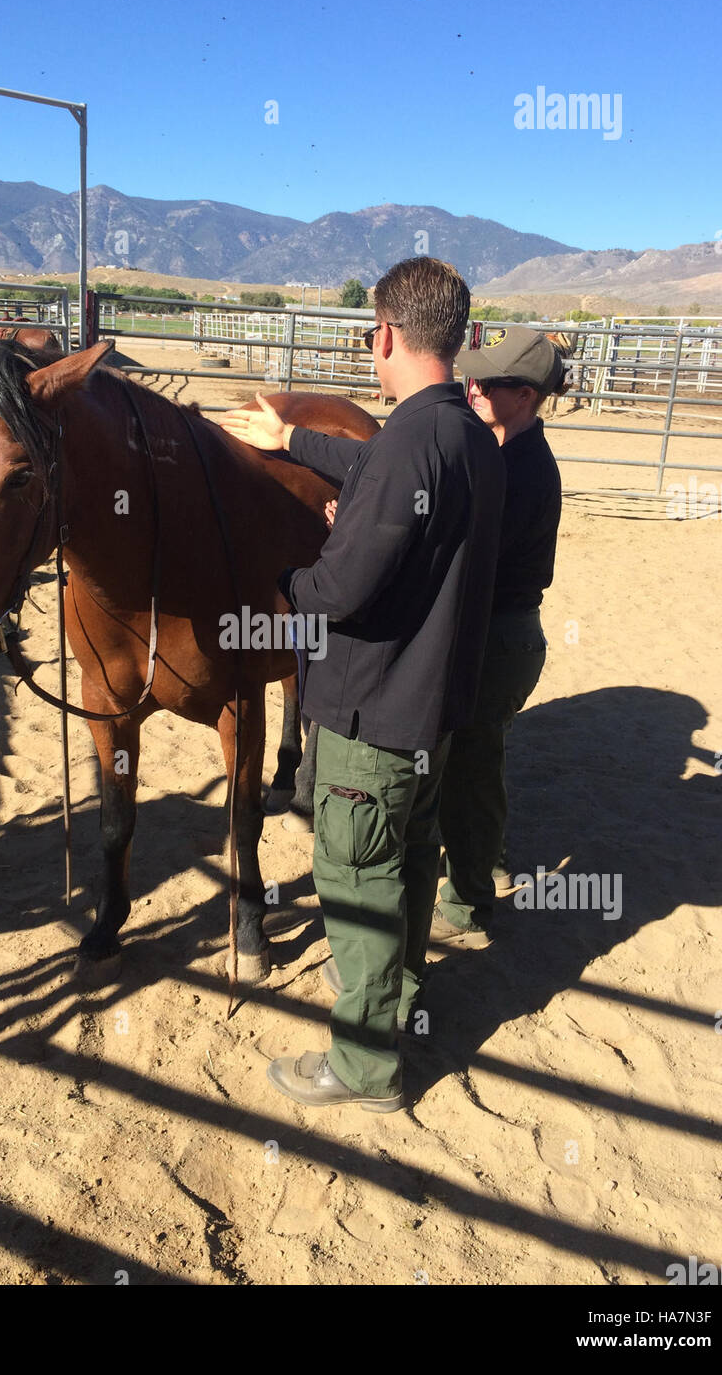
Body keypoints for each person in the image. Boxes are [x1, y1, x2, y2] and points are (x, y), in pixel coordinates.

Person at [220, 257, 505, 1112]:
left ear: (383, 333)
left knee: (356, 882)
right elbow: (390, 490)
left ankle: (364, 1066)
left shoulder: (405, 449)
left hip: (371, 714)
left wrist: (286, 571)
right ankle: (398, 998)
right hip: (430, 710)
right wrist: (298, 446)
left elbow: (338, 591)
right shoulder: (466, 436)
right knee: (412, 862)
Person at [432, 325, 565, 947]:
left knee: (471, 770)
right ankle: (486, 860)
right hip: (501, 633)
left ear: (527, 396)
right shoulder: (504, 452)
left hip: (497, 635)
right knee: (475, 762)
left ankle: (469, 901)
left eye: (491, 382)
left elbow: (465, 552)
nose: (474, 387)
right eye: (473, 377)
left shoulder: (522, 470)